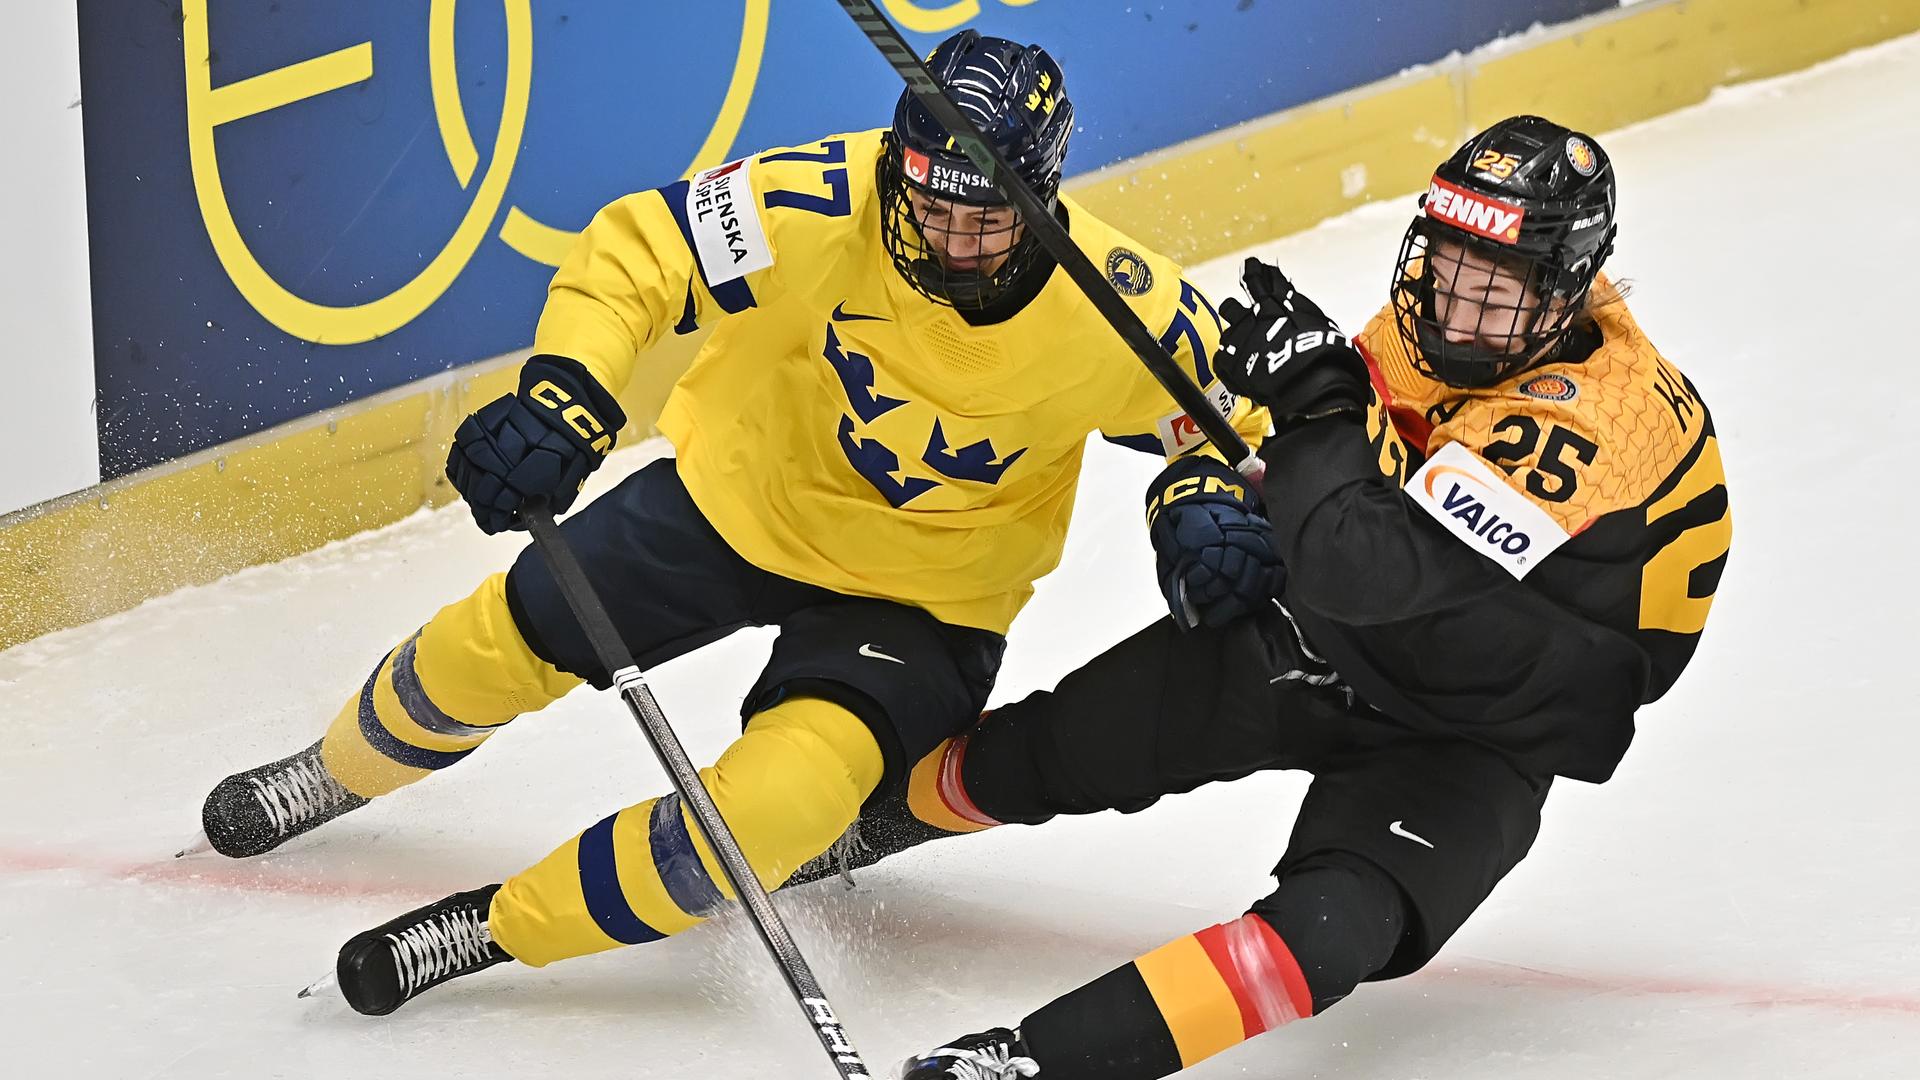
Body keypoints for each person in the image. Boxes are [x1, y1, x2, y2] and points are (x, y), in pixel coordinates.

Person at [190, 30, 1270, 1016]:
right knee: (494, 645)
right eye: (927, 201)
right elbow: (640, 250)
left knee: (779, 809)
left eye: (981, 218)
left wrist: (1203, 500)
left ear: (1041, 199)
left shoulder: (1122, 304)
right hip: (734, 507)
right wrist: (568, 390)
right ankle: (334, 769)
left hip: (927, 598)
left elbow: (1238, 419)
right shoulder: (823, 196)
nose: (942, 236)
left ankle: (489, 928)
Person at [869, 116, 1733, 1080]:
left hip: (1474, 735)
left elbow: (1361, 558)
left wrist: (1318, 401)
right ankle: (806, 840)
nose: (1454, 309)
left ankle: (1029, 1067)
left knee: (1325, 936)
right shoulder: (1451, 329)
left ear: (1568, 287)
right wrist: (1208, 493)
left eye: (1492, 290)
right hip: (1331, 647)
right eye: (1445, 266)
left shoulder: (1600, 425)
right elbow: (1319, 487)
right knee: (1030, 754)